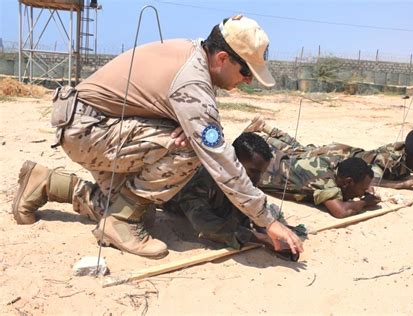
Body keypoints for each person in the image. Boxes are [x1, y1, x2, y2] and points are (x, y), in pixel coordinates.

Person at [11, 15, 303, 259]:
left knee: (142, 213)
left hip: (95, 125)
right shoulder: (193, 81)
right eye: (246, 71)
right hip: (88, 130)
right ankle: (122, 221)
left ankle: (47, 183)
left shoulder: (193, 54)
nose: (248, 81)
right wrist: (268, 221)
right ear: (223, 57)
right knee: (191, 148)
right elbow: (220, 158)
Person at [163, 132, 290, 250]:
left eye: (261, 173)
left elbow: (247, 208)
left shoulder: (244, 179)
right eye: (253, 172)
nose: (256, 180)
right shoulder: (205, 173)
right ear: (234, 161)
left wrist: (265, 227)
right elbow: (205, 224)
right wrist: (263, 239)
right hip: (174, 205)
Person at [245, 116, 413, 190]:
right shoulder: (388, 158)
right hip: (339, 156)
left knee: (302, 149)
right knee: (298, 153)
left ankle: (266, 128)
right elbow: (374, 180)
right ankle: (264, 136)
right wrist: (403, 184)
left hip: (348, 155)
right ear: (409, 154)